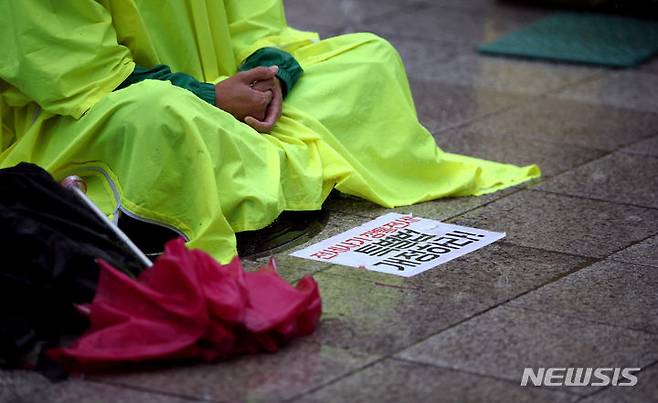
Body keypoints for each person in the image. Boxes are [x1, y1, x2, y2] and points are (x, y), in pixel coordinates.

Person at [0, 0, 539, 263]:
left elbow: (254, 20)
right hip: (94, 114)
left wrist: (270, 71)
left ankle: (253, 168)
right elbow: (80, 79)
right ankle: (253, 177)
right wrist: (214, 97)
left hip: (223, 91)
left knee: (366, 59)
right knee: (159, 114)